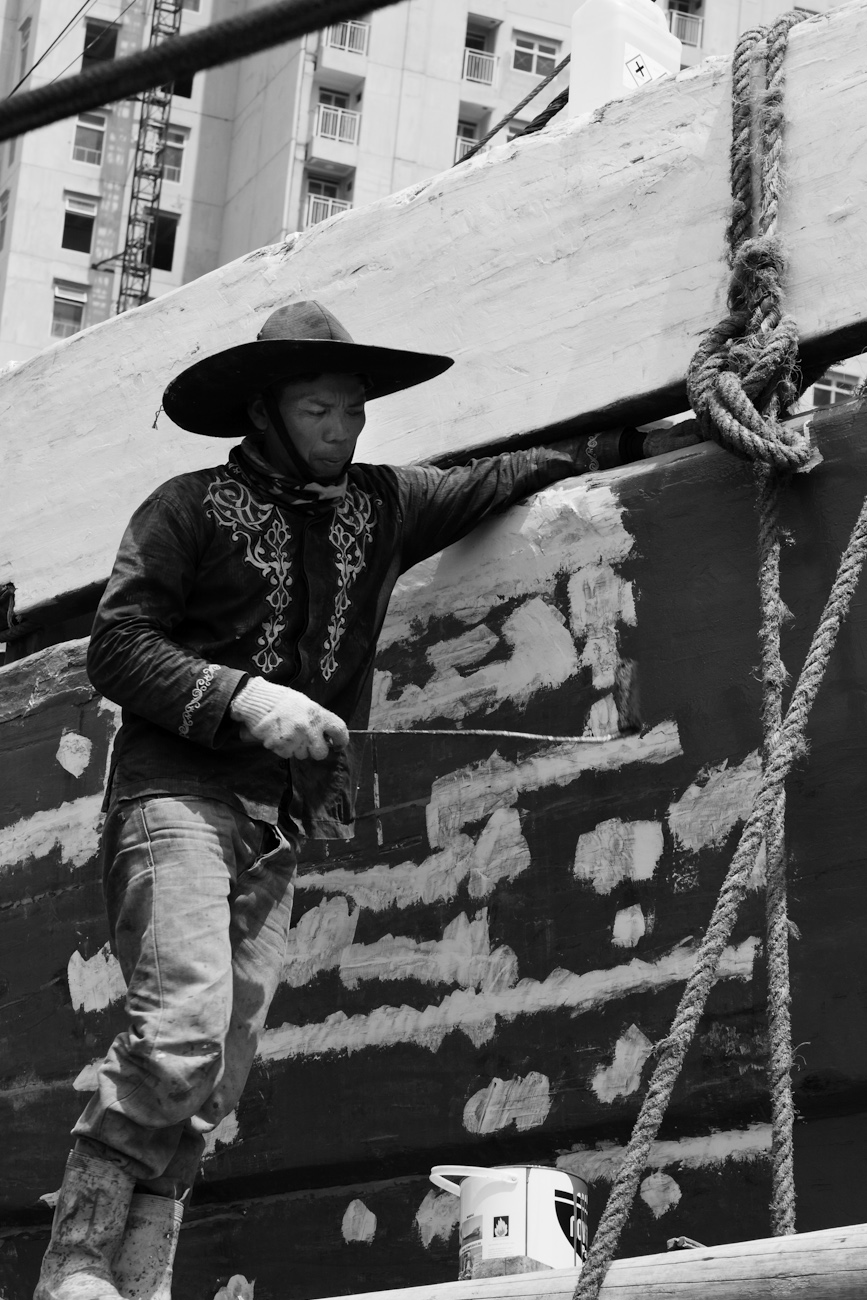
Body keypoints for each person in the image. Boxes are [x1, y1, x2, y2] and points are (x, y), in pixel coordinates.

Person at [34, 301, 697, 1300]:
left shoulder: (381, 505)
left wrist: (609, 441)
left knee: (217, 1072)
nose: (343, 428)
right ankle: (75, 1260)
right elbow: (117, 646)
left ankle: (139, 1275)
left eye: (352, 408)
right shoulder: (184, 508)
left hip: (278, 829)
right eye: (318, 408)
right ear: (265, 412)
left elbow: (491, 481)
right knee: (181, 1025)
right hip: (174, 799)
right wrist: (244, 698)